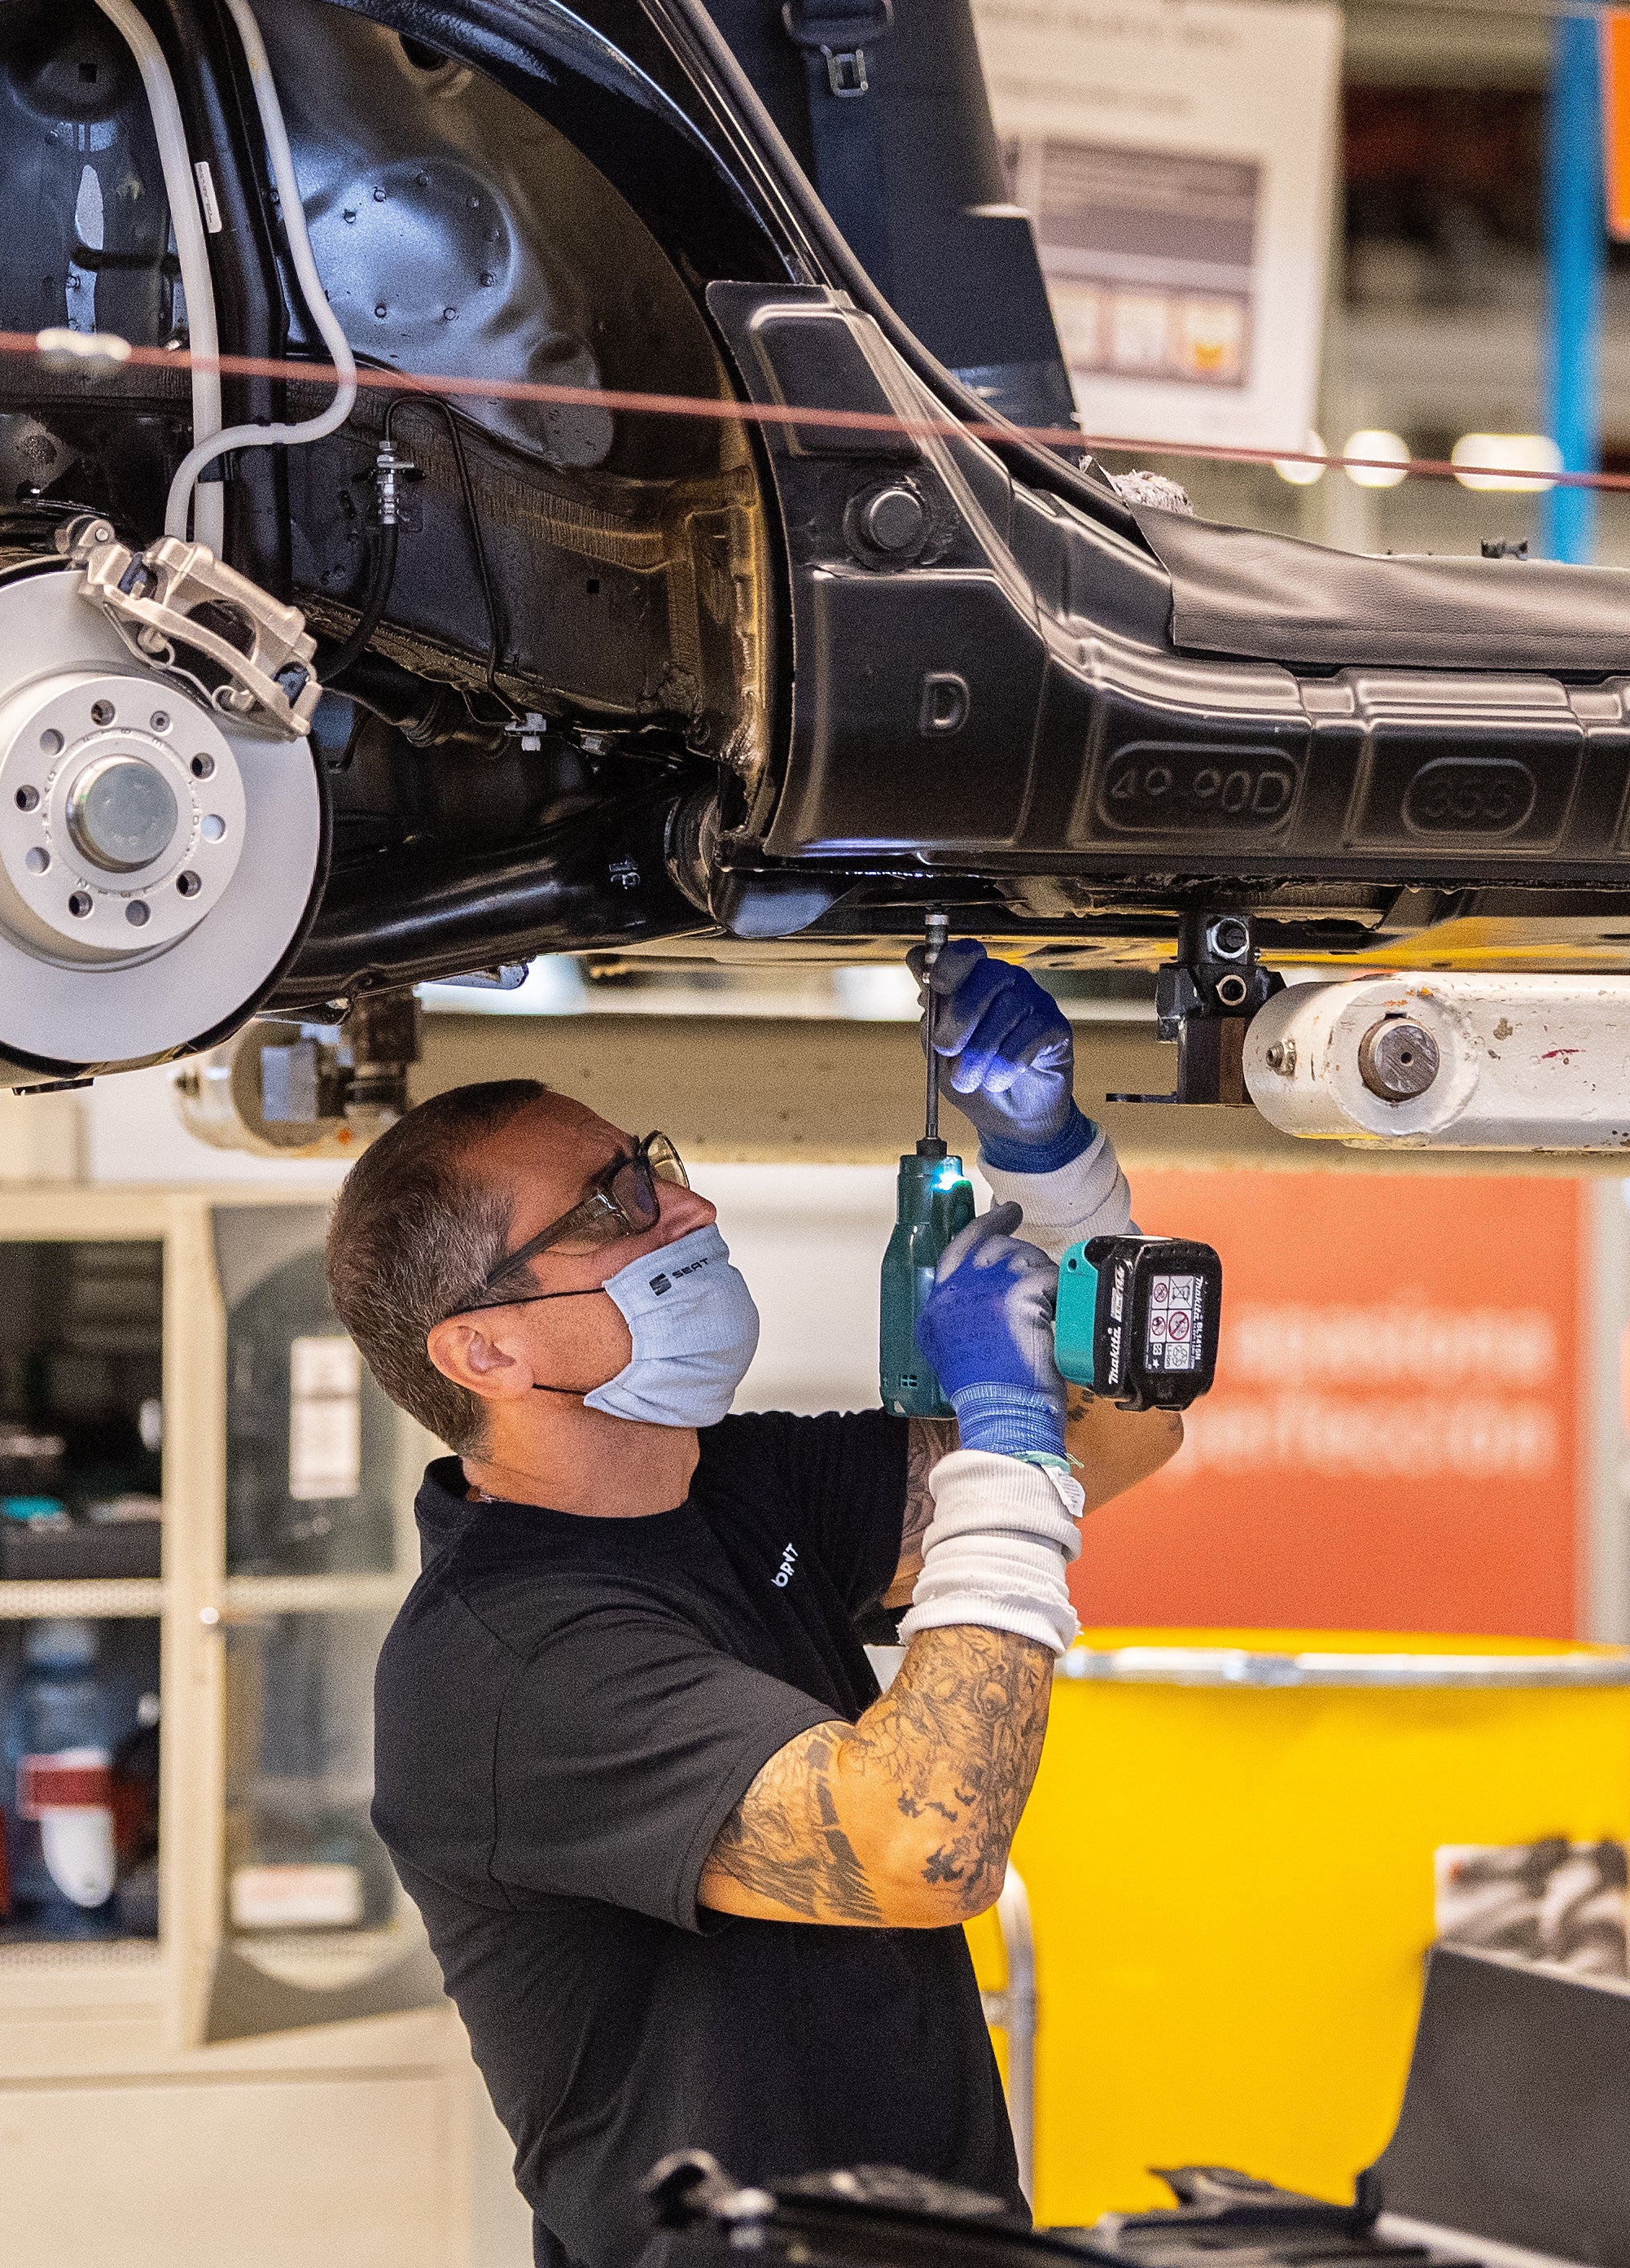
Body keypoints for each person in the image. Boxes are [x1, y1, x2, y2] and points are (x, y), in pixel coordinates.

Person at [329, 942, 1183, 2268]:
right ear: (483, 1349)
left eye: (652, 1162)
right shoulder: (514, 1665)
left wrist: (1062, 1178)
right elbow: (926, 1848)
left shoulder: (731, 1485)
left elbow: (1120, 1439)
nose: (686, 1201)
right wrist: (1003, 1438)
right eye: (610, 1204)